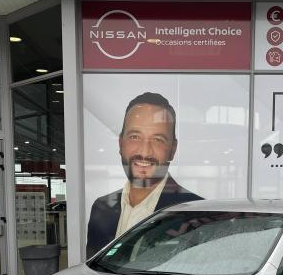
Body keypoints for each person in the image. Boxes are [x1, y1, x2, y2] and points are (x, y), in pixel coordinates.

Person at [86, 92, 202, 258]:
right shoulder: (101, 207)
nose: (144, 151)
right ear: (120, 143)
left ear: (173, 149)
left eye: (158, 139)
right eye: (135, 137)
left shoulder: (197, 213)